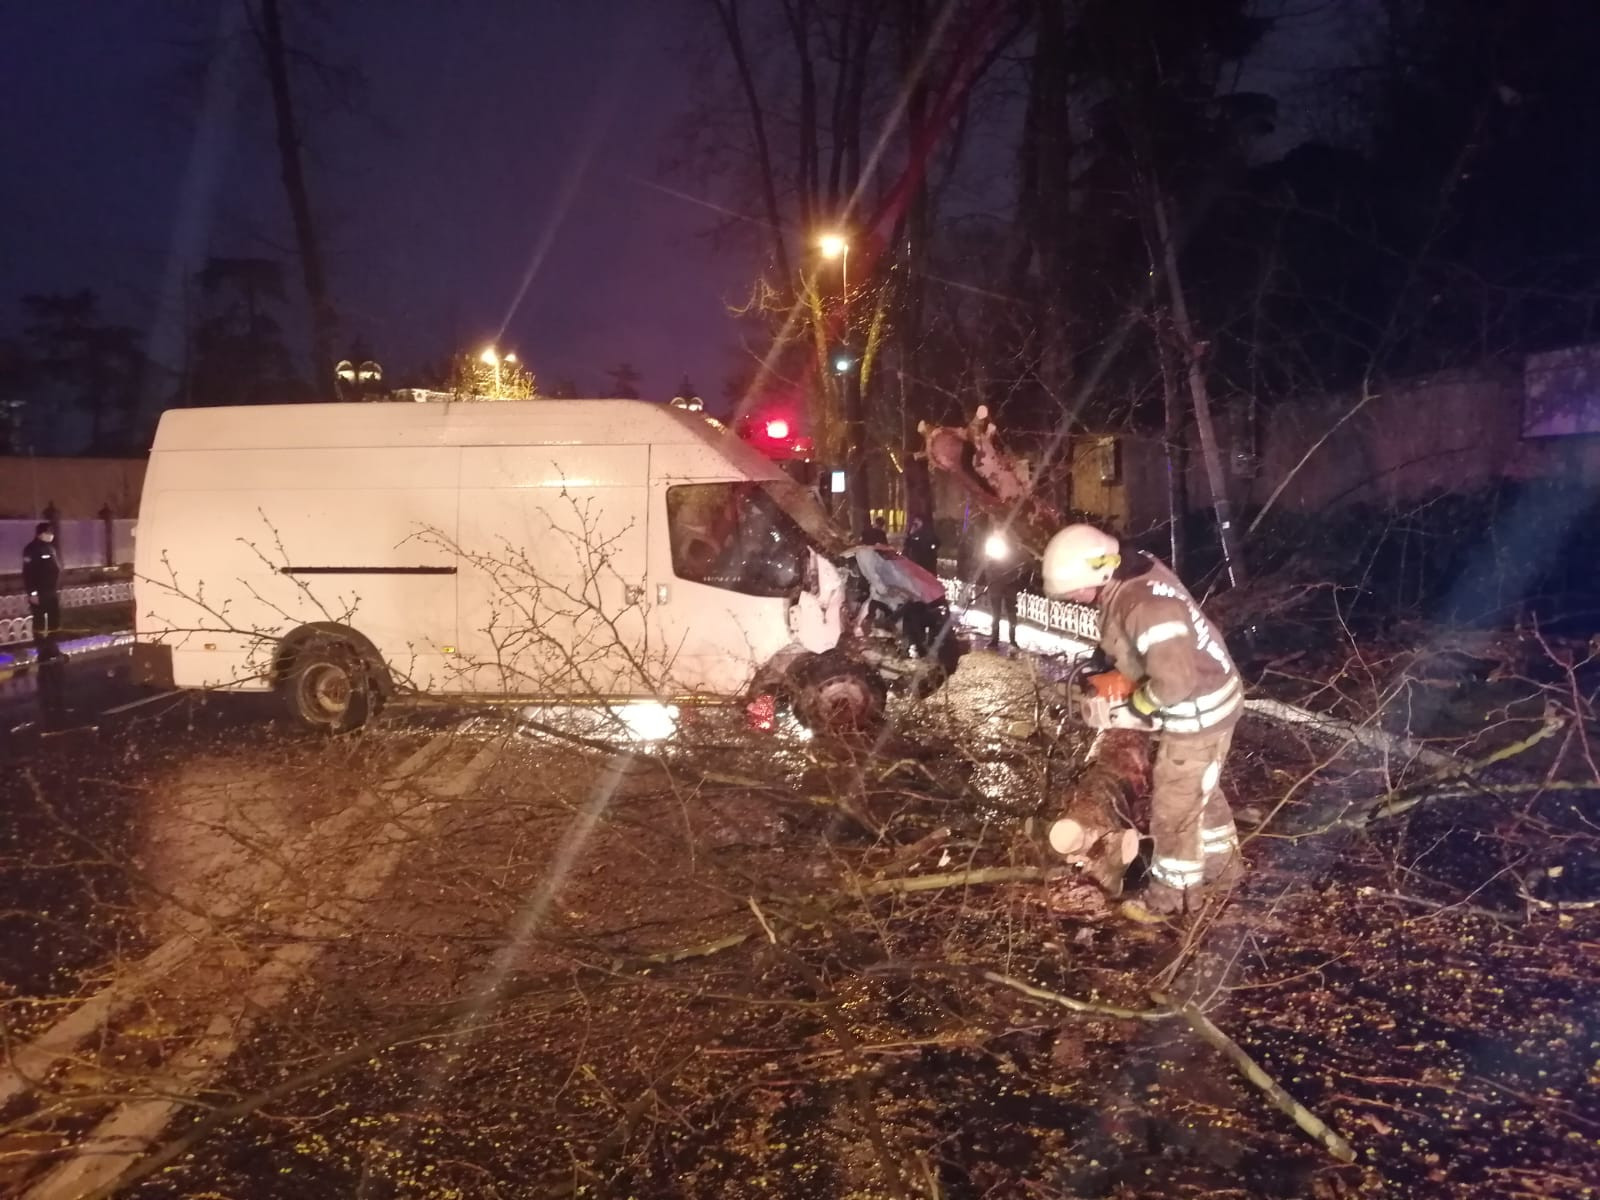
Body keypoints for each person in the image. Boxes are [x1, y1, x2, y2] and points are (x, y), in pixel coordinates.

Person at [1041, 523, 1244, 918]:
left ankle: (1173, 897)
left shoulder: (1145, 606)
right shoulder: (1130, 571)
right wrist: (1110, 671)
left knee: (1174, 807)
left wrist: (1137, 707)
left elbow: (1175, 682)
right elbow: (1135, 645)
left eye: (1075, 590)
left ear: (1098, 571)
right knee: (1201, 788)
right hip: (1212, 697)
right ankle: (1225, 871)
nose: (1075, 598)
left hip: (1199, 709)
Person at [22, 520, 62, 642]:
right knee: (39, 620)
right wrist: (32, 593)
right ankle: (40, 645)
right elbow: (28, 573)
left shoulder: (50, 548)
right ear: (41, 534)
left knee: (54, 619)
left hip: (51, 591)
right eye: (48, 533)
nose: (51, 535)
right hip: (39, 592)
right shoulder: (31, 549)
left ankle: (52, 644)